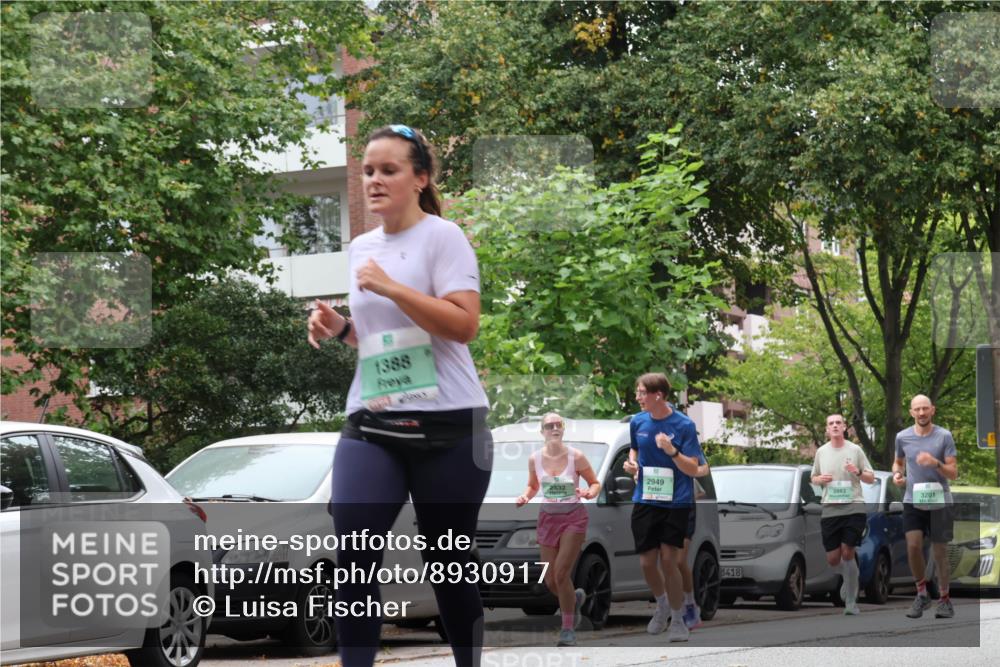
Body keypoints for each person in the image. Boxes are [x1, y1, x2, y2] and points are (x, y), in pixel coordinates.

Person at [307, 124, 491, 667]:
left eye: (388, 170)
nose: (374, 180)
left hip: (451, 427)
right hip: (374, 422)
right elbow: (391, 342)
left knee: (448, 566)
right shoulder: (362, 246)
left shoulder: (443, 237)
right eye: (367, 170)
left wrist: (390, 286)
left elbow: (463, 325)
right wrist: (340, 327)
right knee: (354, 559)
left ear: (420, 178)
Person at [622, 373, 704, 642]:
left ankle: (679, 620)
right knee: (647, 562)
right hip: (645, 498)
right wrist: (632, 463)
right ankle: (663, 604)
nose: (637, 397)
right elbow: (634, 449)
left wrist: (672, 451)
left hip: (676, 501)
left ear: (658, 395)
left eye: (642, 392)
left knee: (670, 561)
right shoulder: (638, 421)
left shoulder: (683, 425)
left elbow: (694, 467)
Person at [515, 413, 601, 647]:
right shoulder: (535, 459)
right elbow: (533, 485)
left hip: (573, 518)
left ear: (563, 429)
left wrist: (590, 492)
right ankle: (575, 599)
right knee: (551, 580)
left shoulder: (576, 457)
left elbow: (594, 483)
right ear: (542, 431)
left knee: (562, 574)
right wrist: (525, 496)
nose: (554, 428)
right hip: (547, 519)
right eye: (549, 425)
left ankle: (567, 629)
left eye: (558, 425)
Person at [893, 394, 958, 620]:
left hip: (940, 500)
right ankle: (921, 593)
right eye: (917, 409)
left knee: (939, 553)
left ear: (932, 410)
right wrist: (897, 475)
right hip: (913, 500)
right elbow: (898, 462)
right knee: (913, 546)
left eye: (925, 409)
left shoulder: (944, 436)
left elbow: (953, 472)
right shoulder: (902, 437)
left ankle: (945, 599)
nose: (921, 413)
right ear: (911, 412)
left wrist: (936, 463)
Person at [810, 413, 875, 615]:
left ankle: (851, 601)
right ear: (827, 430)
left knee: (848, 551)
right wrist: (820, 479)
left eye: (839, 423)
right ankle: (848, 579)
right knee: (833, 559)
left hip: (853, 506)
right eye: (831, 423)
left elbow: (871, 478)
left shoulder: (855, 450)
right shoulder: (821, 452)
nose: (835, 426)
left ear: (845, 427)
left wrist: (856, 471)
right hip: (830, 508)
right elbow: (813, 478)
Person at [677, 462, 710, 629]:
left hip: (685, 514)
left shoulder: (683, 463)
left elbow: (701, 491)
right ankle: (676, 606)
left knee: (679, 561)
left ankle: (690, 604)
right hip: (662, 512)